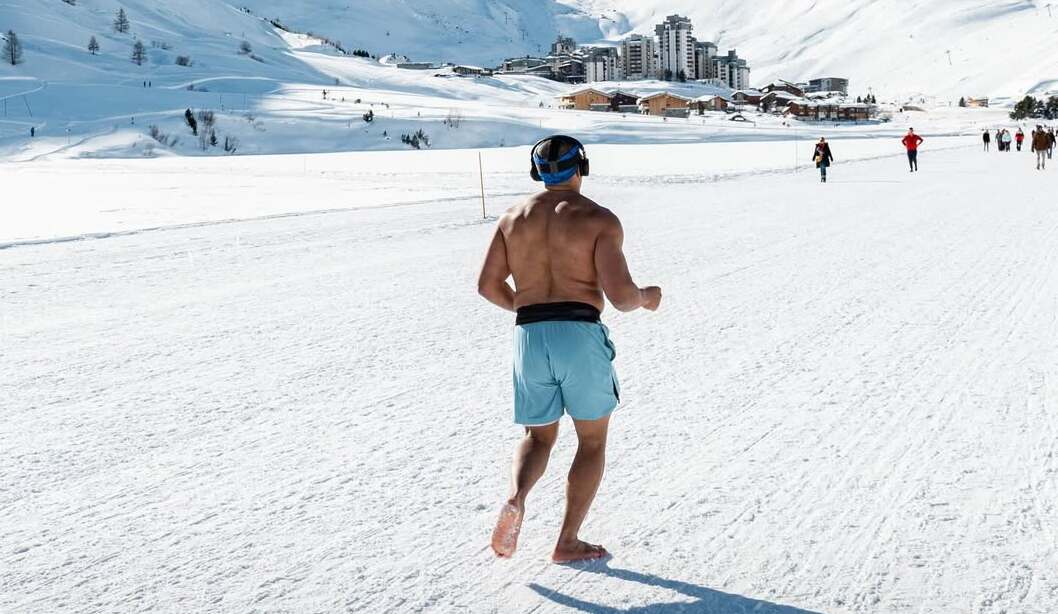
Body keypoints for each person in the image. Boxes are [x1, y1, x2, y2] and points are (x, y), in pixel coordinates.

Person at [478, 135, 662, 564]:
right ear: (582, 167)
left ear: (536, 172)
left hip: (529, 334)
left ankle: (517, 496)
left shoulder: (511, 218)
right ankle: (567, 539)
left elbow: (487, 286)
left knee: (537, 436)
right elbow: (620, 296)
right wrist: (648, 296)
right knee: (592, 441)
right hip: (578, 332)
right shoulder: (598, 219)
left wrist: (527, 308)